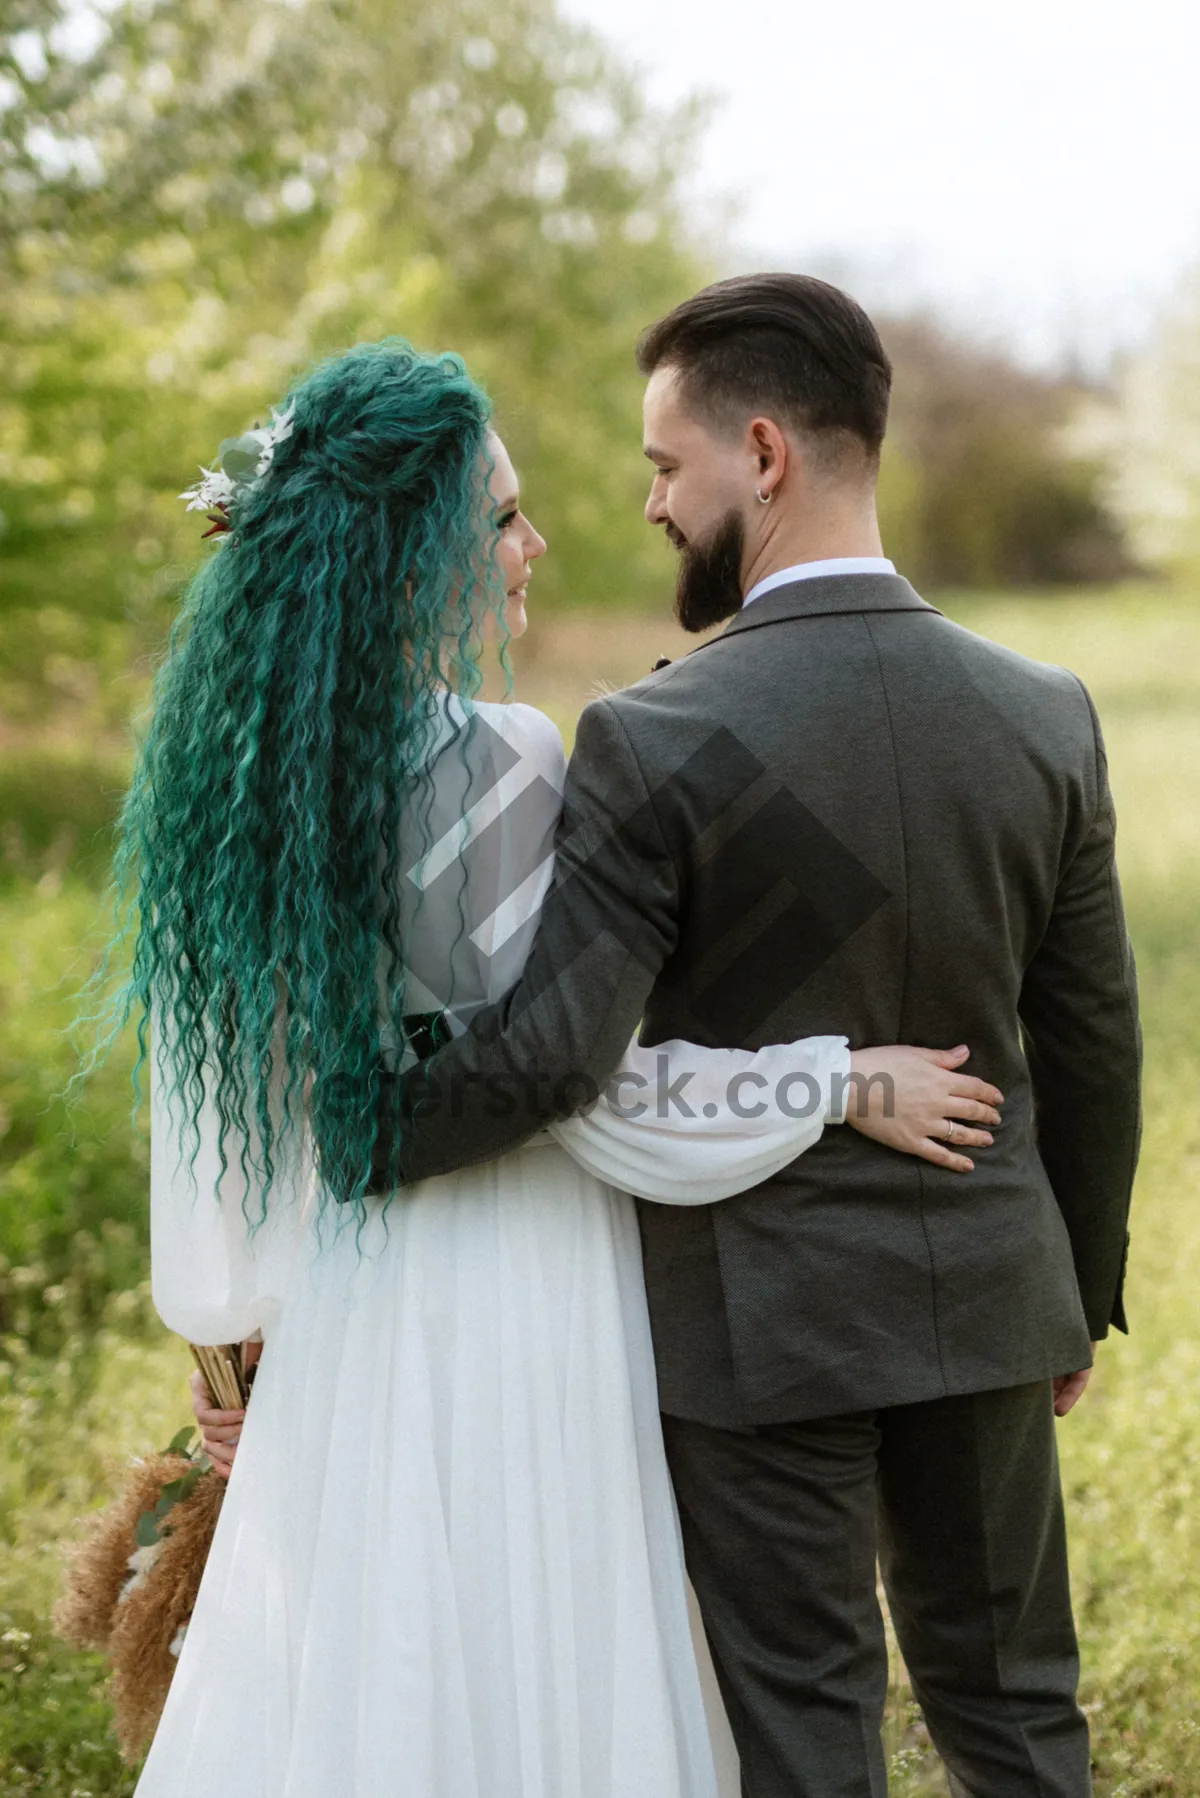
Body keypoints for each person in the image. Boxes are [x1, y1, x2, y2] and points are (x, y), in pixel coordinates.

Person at [137, 337, 995, 1797]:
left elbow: (223, 1122)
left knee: (372, 1671)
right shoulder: (500, 761)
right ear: (412, 555)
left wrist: (229, 1346)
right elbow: (583, 1086)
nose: (532, 546)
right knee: (544, 1662)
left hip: (350, 1304)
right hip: (524, 1285)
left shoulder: (239, 787)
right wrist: (842, 1080)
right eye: (503, 519)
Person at [360, 277, 1142, 1797]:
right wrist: (1073, 1289)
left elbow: (554, 1059)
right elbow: (1093, 1040)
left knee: (805, 1735)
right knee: (1019, 1715)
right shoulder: (1048, 711)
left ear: (763, 453)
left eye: (667, 466)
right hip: (991, 1299)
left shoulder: (655, 738)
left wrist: (349, 1125)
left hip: (757, 1330)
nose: (652, 504)